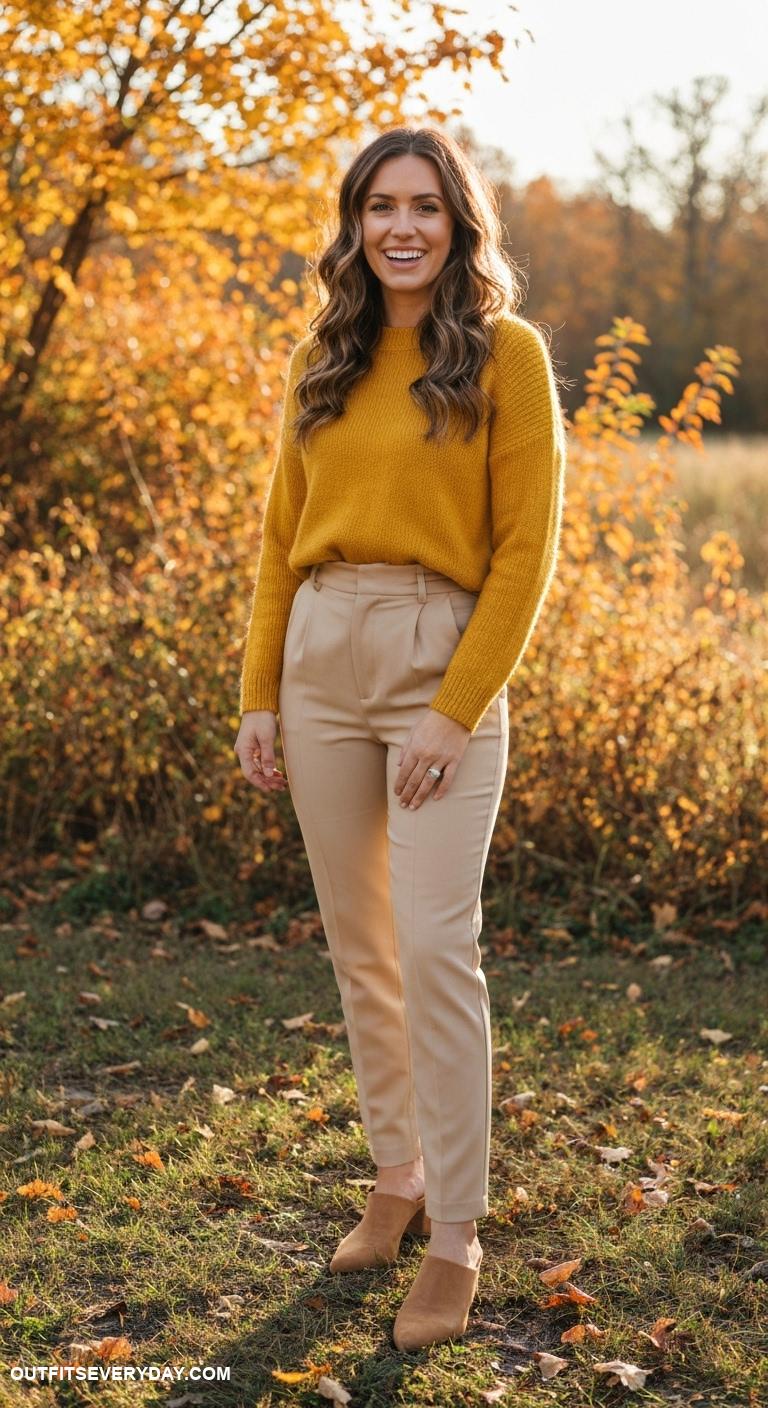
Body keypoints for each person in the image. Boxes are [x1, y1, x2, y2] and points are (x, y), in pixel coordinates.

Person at [234, 126, 567, 1351]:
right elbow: (280, 536)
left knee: (436, 946)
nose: (403, 227)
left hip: (441, 656)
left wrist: (453, 707)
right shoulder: (322, 356)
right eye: (381, 206)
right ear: (356, 224)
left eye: (426, 205)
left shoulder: (506, 359)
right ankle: (396, 1176)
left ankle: (457, 1233)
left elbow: (527, 553)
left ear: (458, 222)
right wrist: (258, 692)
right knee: (361, 947)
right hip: (321, 655)